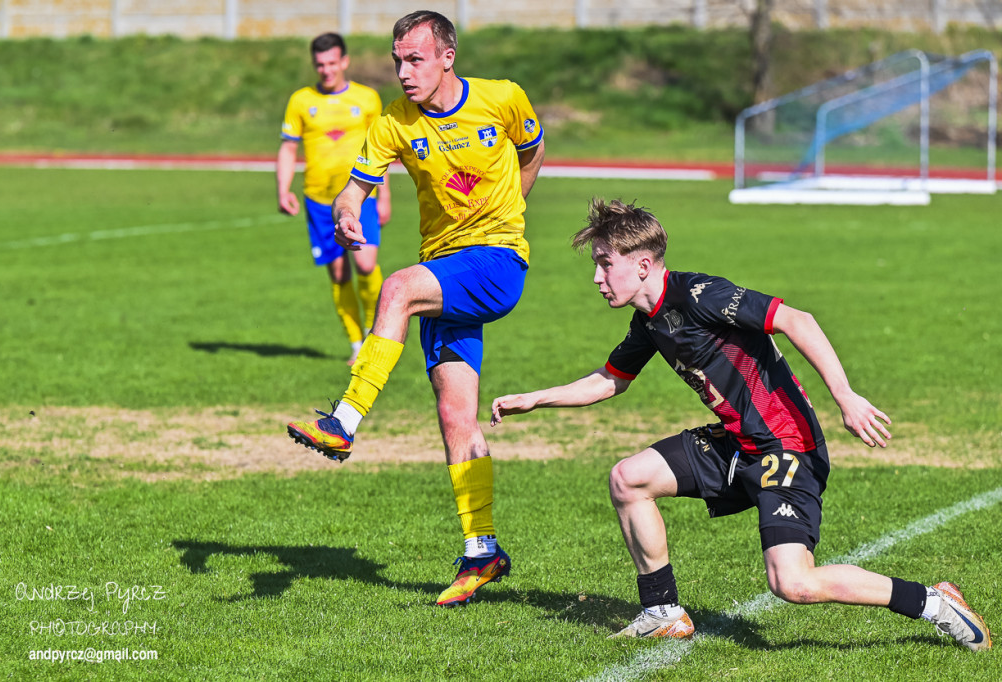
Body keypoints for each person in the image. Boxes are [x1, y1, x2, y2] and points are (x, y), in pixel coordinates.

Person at [489, 198, 991, 650]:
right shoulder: (649, 321)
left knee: (793, 583)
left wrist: (846, 397)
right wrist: (535, 399)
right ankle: (663, 612)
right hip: (736, 444)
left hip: (786, 447)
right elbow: (610, 380)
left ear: (642, 265)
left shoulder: (701, 294)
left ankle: (934, 602)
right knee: (629, 479)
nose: (598, 278)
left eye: (605, 264)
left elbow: (797, 320)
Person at [286, 11, 545, 608]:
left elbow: (531, 151)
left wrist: (510, 213)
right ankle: (482, 551)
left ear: (447, 57)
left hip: (497, 261)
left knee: (396, 287)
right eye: (397, 60)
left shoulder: (503, 98)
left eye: (416, 59)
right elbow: (354, 188)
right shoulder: (394, 122)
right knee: (456, 416)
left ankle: (343, 423)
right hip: (444, 270)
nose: (404, 72)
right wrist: (347, 212)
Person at [277, 33, 392, 366]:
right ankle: (356, 343)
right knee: (339, 274)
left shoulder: (367, 98)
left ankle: (375, 333)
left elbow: (380, 153)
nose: (326, 70)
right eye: (320, 64)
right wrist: (283, 189)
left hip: (361, 198)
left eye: (331, 63)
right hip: (319, 201)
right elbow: (288, 148)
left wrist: (384, 196)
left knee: (365, 264)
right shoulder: (301, 101)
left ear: (344, 61)